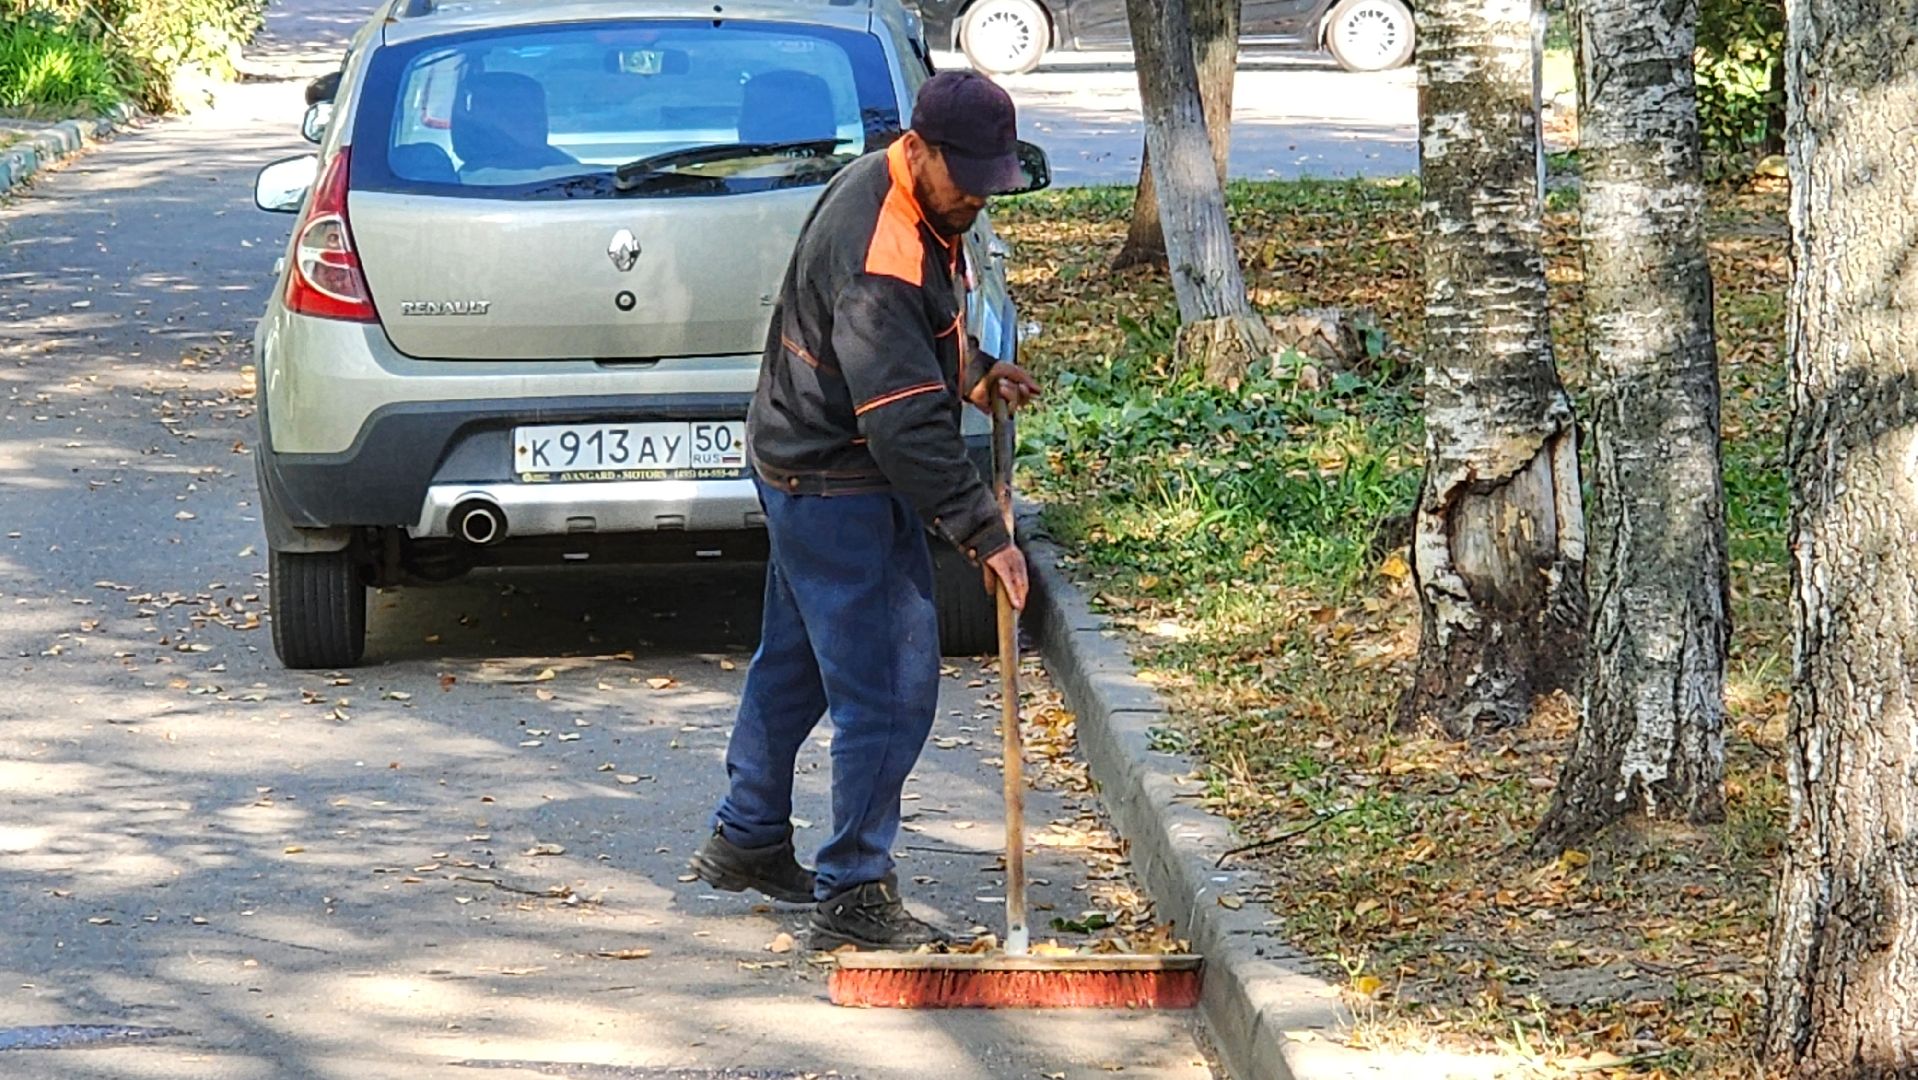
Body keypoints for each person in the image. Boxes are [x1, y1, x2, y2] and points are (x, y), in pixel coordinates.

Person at [688, 70, 1041, 950]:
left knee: (798, 658)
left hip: (801, 455)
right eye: (965, 180)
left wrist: (974, 371)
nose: (976, 201)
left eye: (989, 182)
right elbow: (903, 423)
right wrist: (986, 536)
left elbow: (908, 346)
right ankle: (853, 891)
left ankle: (749, 836)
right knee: (889, 683)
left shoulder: (913, 194)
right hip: (837, 474)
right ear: (917, 150)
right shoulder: (881, 245)